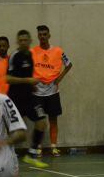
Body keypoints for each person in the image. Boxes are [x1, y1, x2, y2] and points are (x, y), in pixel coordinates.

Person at [6, 30, 49, 168]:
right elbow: (8, 78)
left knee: (42, 121)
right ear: (18, 42)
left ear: (30, 41)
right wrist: (27, 81)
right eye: (21, 40)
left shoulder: (30, 55)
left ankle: (31, 154)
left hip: (29, 97)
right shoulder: (14, 56)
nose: (23, 42)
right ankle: (2, 154)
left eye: (26, 40)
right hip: (15, 98)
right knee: (18, 133)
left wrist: (32, 86)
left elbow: (29, 77)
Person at [31, 25, 73, 156]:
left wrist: (59, 78)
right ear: (38, 36)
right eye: (40, 34)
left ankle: (53, 146)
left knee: (53, 119)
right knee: (39, 120)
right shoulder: (32, 52)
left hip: (52, 91)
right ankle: (38, 147)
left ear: (49, 35)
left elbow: (69, 64)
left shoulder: (58, 51)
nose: (42, 37)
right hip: (37, 92)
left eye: (45, 34)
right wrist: (30, 82)